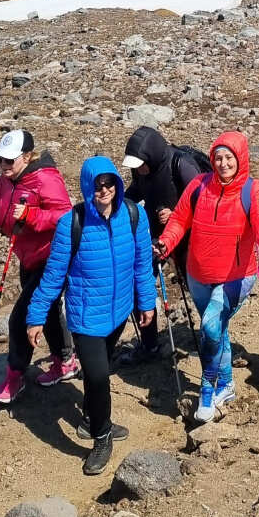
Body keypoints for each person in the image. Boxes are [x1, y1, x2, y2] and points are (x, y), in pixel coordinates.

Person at [26, 156, 156, 475]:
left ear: (117, 182)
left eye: (109, 182)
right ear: (87, 186)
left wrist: (146, 303)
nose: (104, 190)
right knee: (97, 376)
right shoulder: (73, 223)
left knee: (100, 374)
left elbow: (141, 265)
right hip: (85, 317)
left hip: (119, 312)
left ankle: (89, 418)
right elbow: (54, 276)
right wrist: (36, 315)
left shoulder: (133, 214)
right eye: (97, 185)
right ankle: (101, 436)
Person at [155, 131, 259, 422]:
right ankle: (227, 385)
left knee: (210, 327)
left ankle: (208, 389)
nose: (223, 164)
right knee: (217, 330)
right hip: (197, 275)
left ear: (240, 159)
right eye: (218, 158)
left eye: (229, 158)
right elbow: (179, 221)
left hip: (236, 276)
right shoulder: (199, 186)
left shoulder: (253, 190)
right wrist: (165, 244)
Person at [0, 128, 77, 406]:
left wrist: (31, 215)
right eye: (0, 160)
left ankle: (15, 376)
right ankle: (66, 361)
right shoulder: (5, 182)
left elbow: (66, 215)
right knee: (48, 311)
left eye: (9, 160)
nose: (3, 165)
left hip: (52, 259)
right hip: (27, 257)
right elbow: (4, 218)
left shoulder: (45, 179)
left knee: (22, 318)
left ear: (27, 157)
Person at [121, 126, 210, 360]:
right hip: (156, 239)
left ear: (152, 154)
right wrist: (116, 205)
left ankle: (212, 337)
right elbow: (136, 192)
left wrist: (177, 214)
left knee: (199, 290)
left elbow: (204, 204)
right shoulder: (142, 171)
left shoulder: (181, 164)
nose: (138, 169)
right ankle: (149, 344)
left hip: (188, 237)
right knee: (139, 283)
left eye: (141, 163)